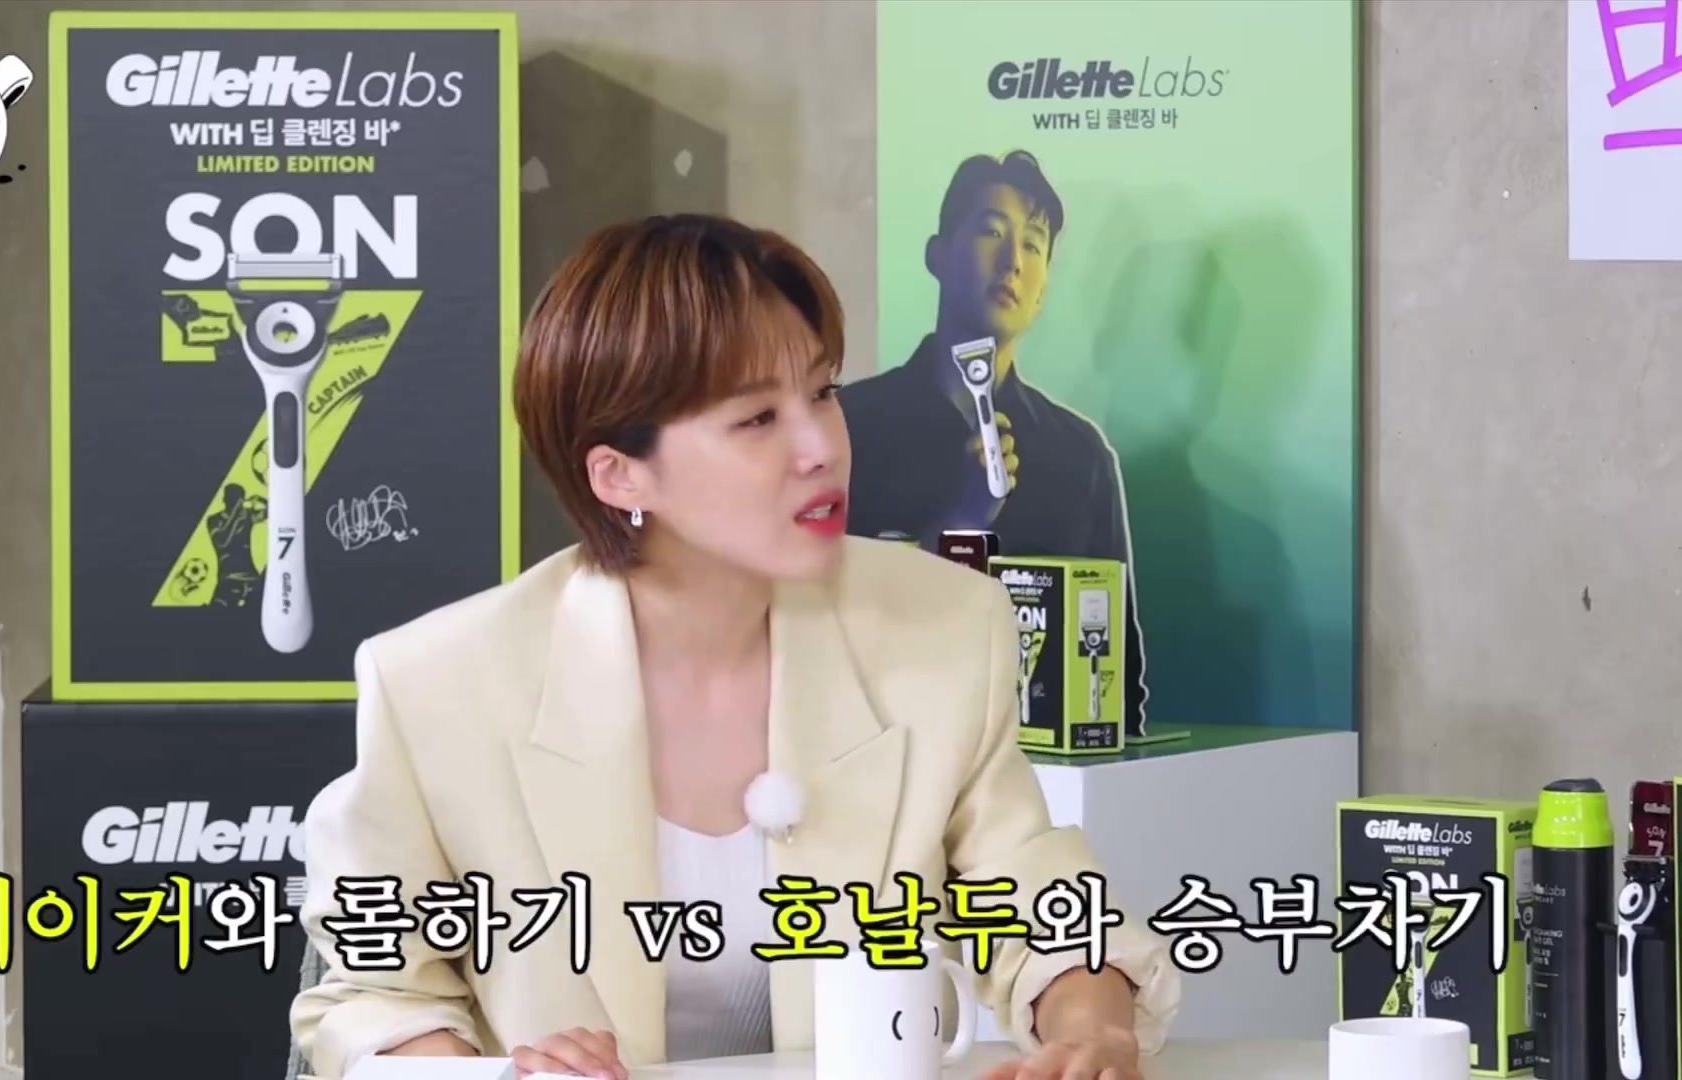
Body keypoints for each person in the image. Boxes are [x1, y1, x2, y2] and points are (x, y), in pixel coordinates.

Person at [289, 214, 1179, 1080]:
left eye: (822, 392)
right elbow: (375, 999)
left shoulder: (943, 628)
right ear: (620, 474)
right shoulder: (438, 681)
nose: (821, 447)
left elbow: (1042, 907)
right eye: (757, 418)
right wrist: (498, 1077)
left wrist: (1091, 1034)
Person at [839, 150, 1151, 738]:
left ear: (1043, 289)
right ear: (937, 255)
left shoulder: (1081, 455)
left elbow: (1119, 681)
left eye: (1033, 245)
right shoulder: (850, 428)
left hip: (1041, 777)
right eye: (991, 232)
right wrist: (959, 525)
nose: (1013, 262)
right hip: (885, 760)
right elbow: (825, 639)